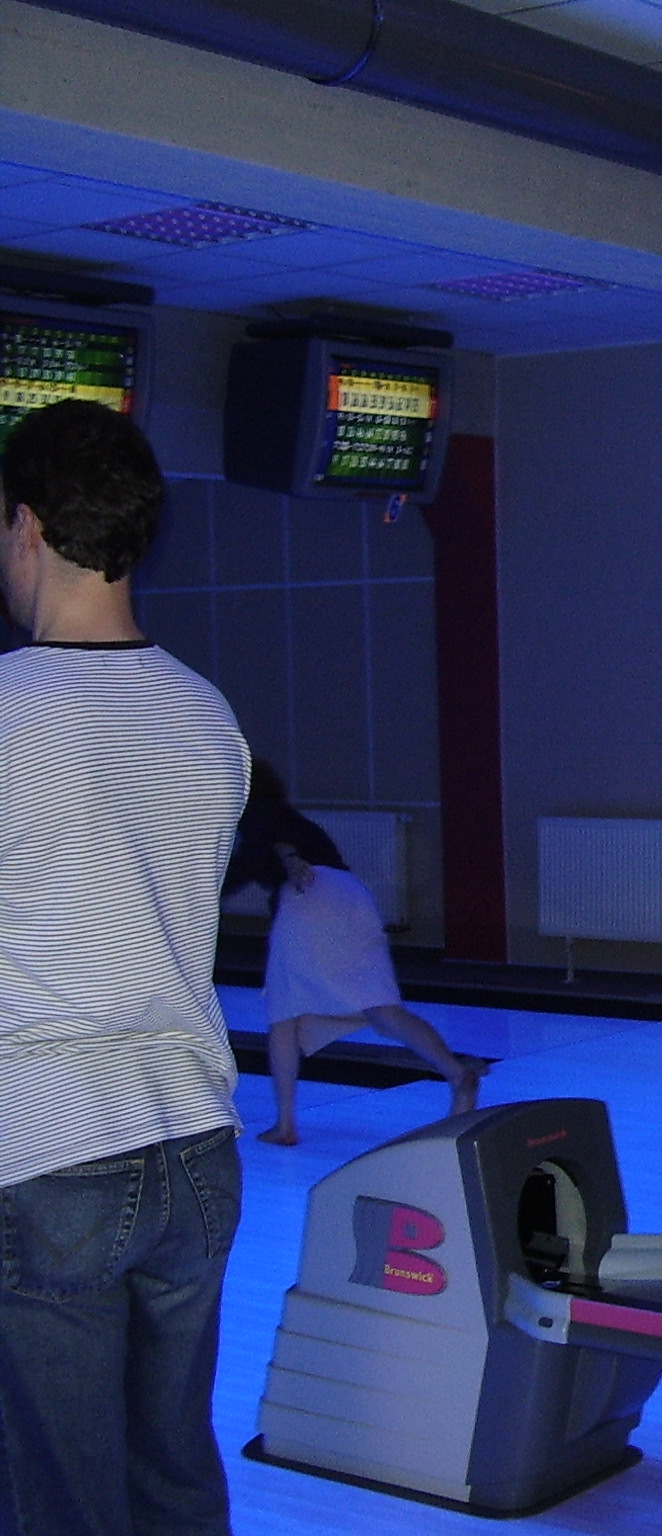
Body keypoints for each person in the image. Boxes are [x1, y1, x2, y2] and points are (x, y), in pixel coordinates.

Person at [0, 399, 250, 1535]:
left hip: (48, 1151)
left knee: (60, 1502)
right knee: (175, 1482)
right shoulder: (206, 716)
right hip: (194, 1148)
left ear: (27, 526)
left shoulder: (11, 711)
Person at [224, 761, 484, 1145]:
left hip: (307, 897)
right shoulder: (290, 816)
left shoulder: (258, 814)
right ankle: (456, 1073)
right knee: (384, 1011)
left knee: (283, 1014)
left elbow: (276, 848)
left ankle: (285, 1124)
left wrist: (287, 861)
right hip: (351, 894)